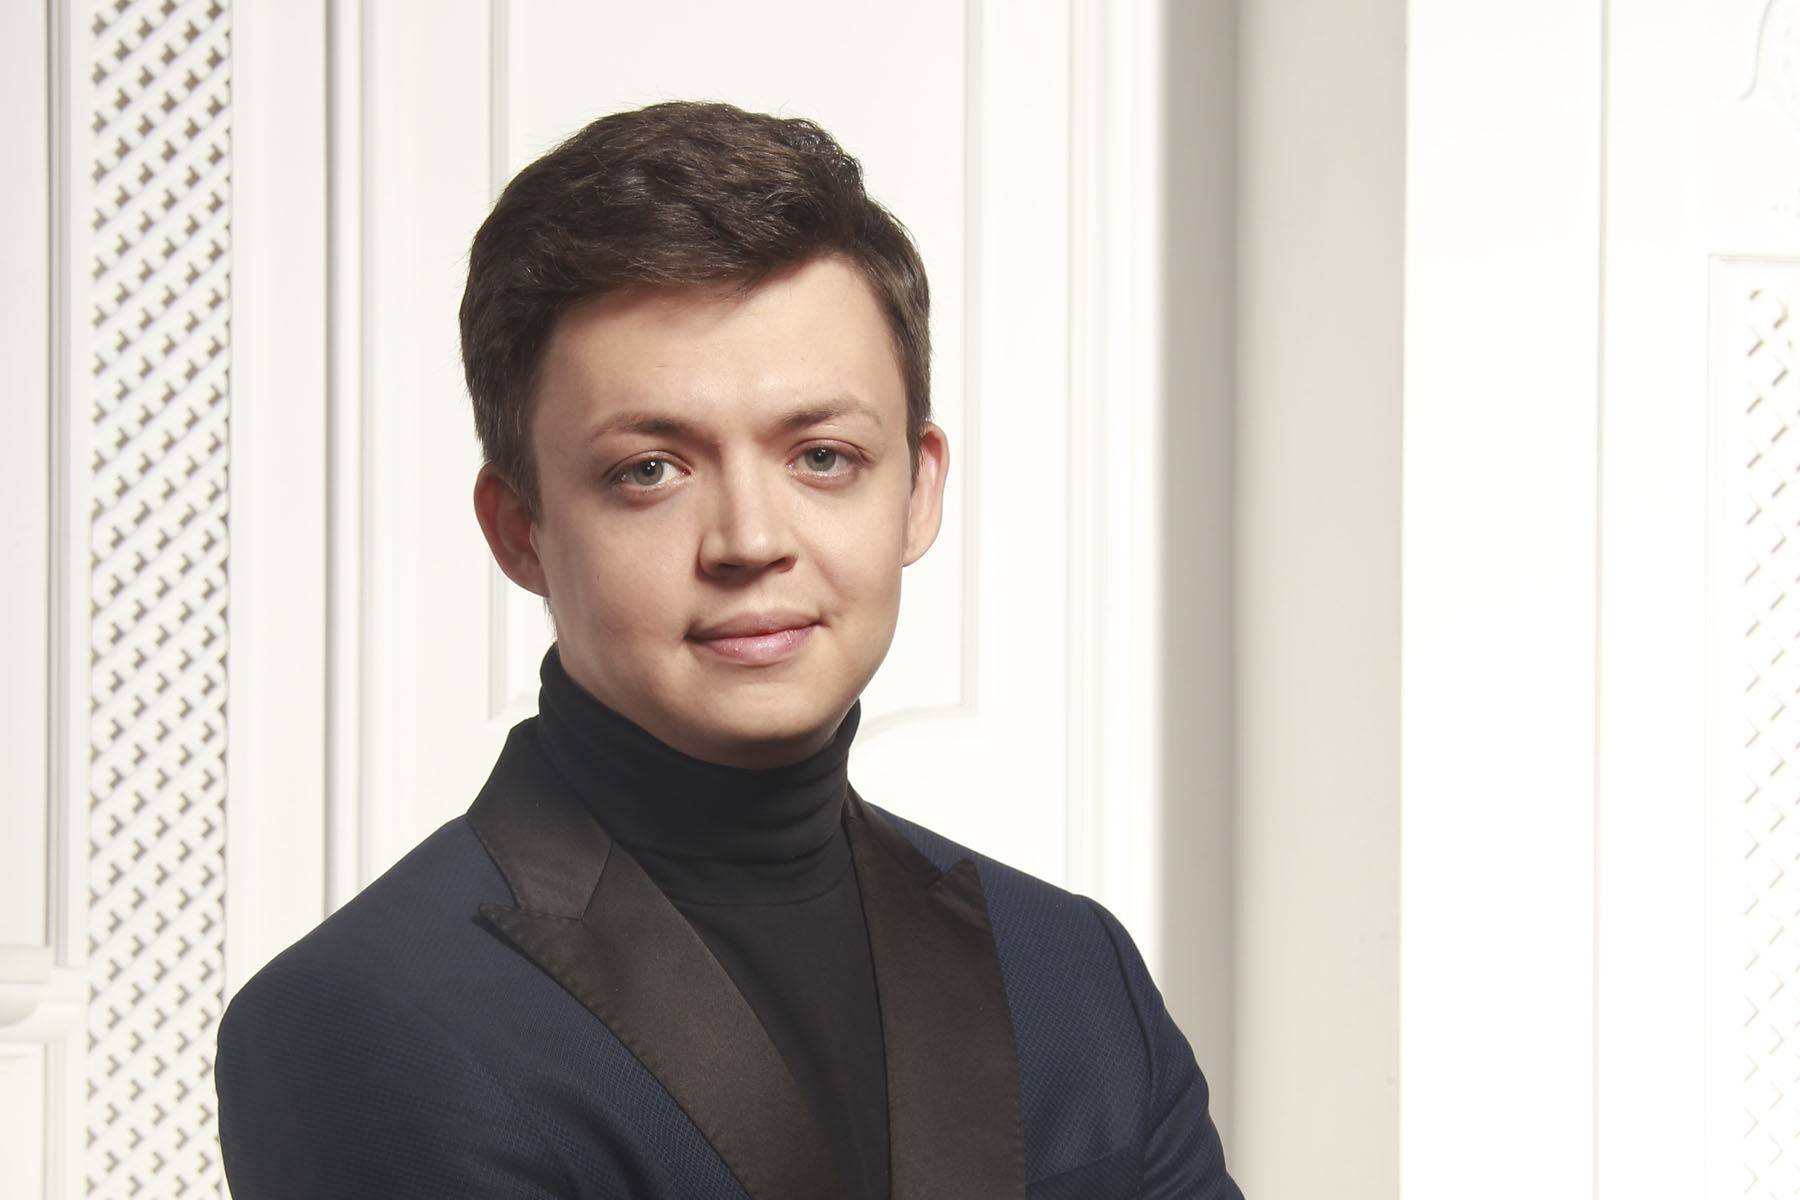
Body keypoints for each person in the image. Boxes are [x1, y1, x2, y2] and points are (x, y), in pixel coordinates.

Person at [215, 100, 1241, 1200]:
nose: (751, 540)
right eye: (649, 471)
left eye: (823, 457)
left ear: (918, 490)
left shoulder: (1077, 977)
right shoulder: (368, 1019)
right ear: (521, 530)